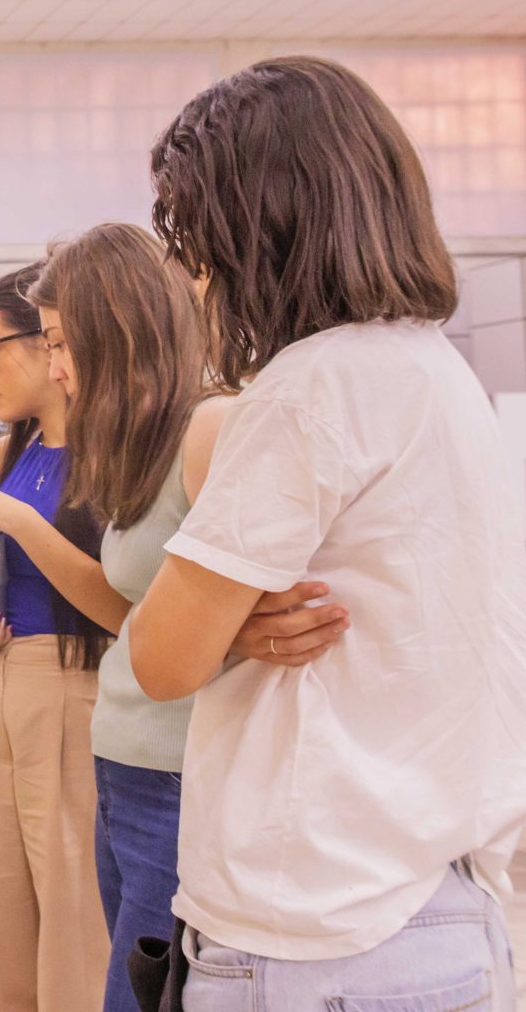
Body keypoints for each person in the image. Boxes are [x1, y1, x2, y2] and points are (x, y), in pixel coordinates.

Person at [130, 57, 525, 1007]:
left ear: (258, 227)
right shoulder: (437, 375)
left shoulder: (311, 384)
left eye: (200, 239)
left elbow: (161, 658)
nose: (194, 274)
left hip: (317, 927)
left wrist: (223, 628)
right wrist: (241, 623)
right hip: (435, 899)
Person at [25, 221, 345, 1012]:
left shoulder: (213, 428)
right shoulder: (144, 444)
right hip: (124, 765)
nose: (55, 367)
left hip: (177, 777)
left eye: (62, 343)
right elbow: (144, 611)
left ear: (119, 327)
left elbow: (291, 602)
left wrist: (235, 636)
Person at [0, 265, 115, 1012]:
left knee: (77, 920)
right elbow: (4, 583)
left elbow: (125, 607)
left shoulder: (118, 452)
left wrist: (20, 524)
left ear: (49, 342)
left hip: (76, 689)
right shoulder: (11, 453)